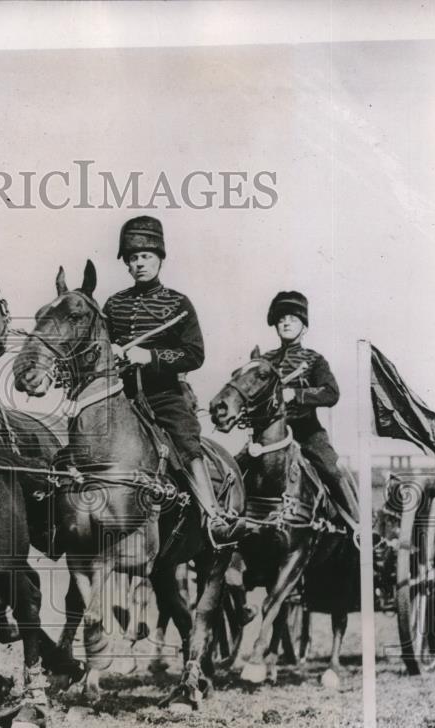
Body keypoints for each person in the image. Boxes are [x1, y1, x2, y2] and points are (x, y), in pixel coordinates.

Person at [102, 216, 236, 541]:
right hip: (123, 396)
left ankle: (212, 513)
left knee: (186, 439)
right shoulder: (113, 305)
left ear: (160, 258)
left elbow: (194, 354)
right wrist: (111, 350)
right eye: (133, 258)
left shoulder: (179, 304)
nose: (139, 264)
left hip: (164, 396)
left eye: (146, 256)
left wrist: (149, 357)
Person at [263, 291, 358, 523]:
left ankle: (359, 530)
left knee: (333, 471)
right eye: (281, 319)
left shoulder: (315, 360)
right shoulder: (264, 361)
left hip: (307, 433)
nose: (286, 323)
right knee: (236, 466)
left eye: (293, 319)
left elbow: (331, 393)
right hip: (268, 437)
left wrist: (295, 394)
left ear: (304, 327)